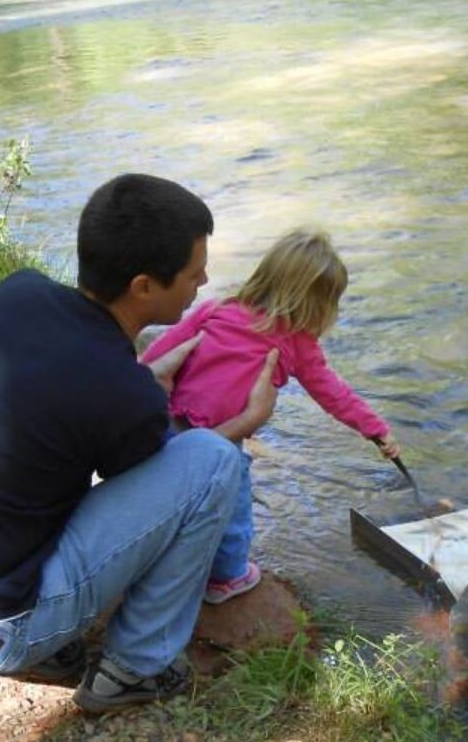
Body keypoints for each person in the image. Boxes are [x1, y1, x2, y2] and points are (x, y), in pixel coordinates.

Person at [0, 173, 279, 714]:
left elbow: (80, 388)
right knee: (215, 459)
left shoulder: (19, 293)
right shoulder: (123, 392)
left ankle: (53, 644)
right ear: (143, 286)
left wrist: (142, 382)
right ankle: (136, 669)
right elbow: (183, 479)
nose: (204, 282)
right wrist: (245, 421)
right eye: (193, 273)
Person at [140, 228, 399, 604]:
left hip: (166, 422)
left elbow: (158, 353)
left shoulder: (217, 309)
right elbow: (334, 394)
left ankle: (155, 556)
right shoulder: (297, 342)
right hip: (224, 439)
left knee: (168, 498)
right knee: (234, 508)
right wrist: (376, 430)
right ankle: (227, 577)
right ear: (317, 304)